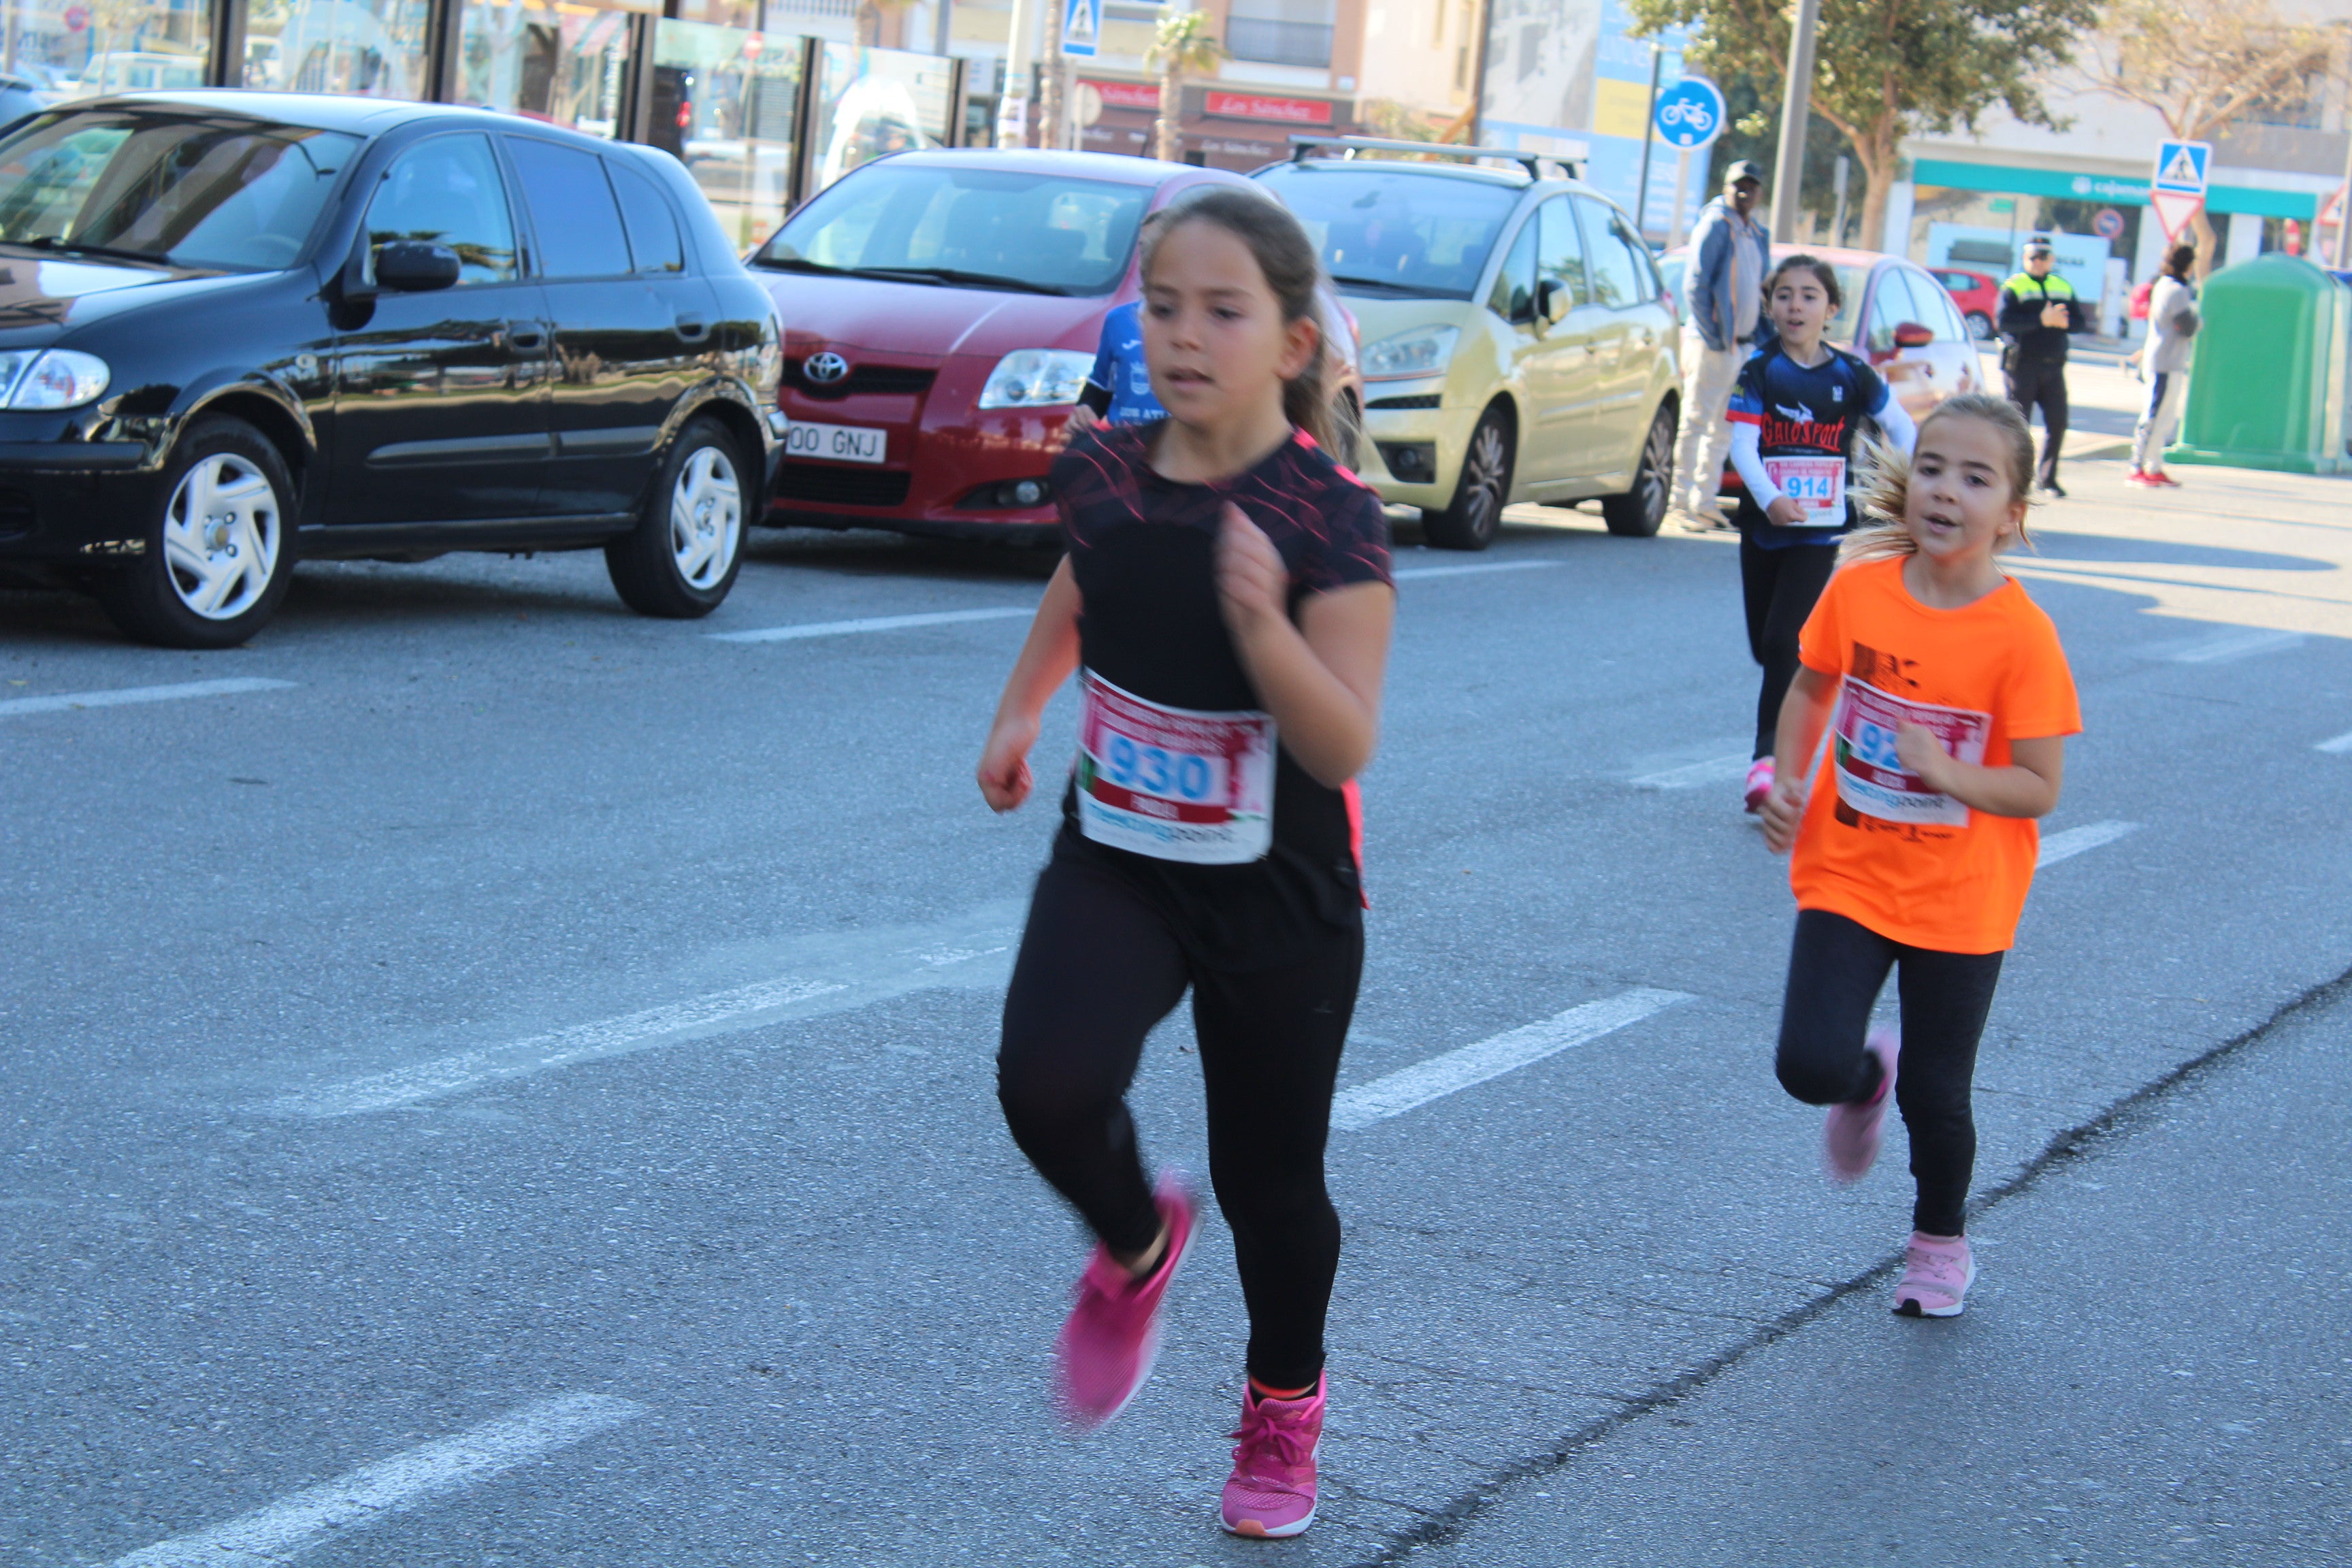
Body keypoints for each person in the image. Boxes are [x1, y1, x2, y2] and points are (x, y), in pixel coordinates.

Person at [977, 186, 1395, 1540]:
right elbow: (1087, 579)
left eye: (1223, 310)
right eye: (1162, 307)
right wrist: (1022, 706)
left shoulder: (1329, 516)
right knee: (1045, 1083)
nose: (1183, 335)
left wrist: (1264, 627)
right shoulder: (1100, 470)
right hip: (1122, 856)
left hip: (1282, 893)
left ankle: (1285, 1404)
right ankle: (1138, 1241)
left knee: (1274, 1186)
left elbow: (1340, 746)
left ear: (1289, 343)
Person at [1758, 393, 2081, 1319]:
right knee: (1807, 1065)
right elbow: (1812, 690)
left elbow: (2039, 786)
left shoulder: (2020, 636)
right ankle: (1864, 1076)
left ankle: (1939, 1238)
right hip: (1849, 870)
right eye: (1933, 467)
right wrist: (1788, 779)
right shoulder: (1860, 591)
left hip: (1963, 897)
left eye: (1976, 479)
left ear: (2010, 513)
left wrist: (1948, 770)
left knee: (1938, 1096)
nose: (1946, 490)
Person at [1726, 255, 1918, 813]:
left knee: (1789, 641)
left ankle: (1770, 766)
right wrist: (1773, 499)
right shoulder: (1760, 370)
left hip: (1825, 532)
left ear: (1830, 309)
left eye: (1809, 295)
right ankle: (1786, 735)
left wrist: (1895, 487)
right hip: (1767, 525)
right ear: (1770, 306)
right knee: (1766, 644)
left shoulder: (1851, 374)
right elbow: (1743, 445)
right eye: (1784, 295)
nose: (1795, 306)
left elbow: (1901, 428)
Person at [1667, 160, 1773, 532]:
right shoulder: (1715, 224)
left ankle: (1705, 502)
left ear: (1760, 192)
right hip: (1714, 346)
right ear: (1726, 188)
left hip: (1742, 348)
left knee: (1723, 429)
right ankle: (1680, 501)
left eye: (1751, 187)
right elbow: (1695, 284)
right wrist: (1715, 336)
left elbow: (1762, 290)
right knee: (1695, 422)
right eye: (1737, 186)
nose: (1745, 193)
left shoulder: (1756, 232)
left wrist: (1758, 342)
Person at [1995, 240, 2088, 497]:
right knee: (2017, 425)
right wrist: (2041, 320)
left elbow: (2080, 323)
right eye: (2033, 257)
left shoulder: (2062, 286)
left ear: (2051, 259)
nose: (2038, 261)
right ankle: (2013, 480)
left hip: (2053, 366)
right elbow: (2003, 322)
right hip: (2022, 365)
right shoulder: (2014, 286)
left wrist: (2064, 321)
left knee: (2058, 423)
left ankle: (2048, 479)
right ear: (2025, 259)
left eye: (2043, 256)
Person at [2129, 244, 2200, 489]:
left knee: (2164, 418)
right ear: (2188, 265)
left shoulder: (2162, 285)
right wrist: (2200, 319)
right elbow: (2187, 326)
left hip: (2166, 360)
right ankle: (2137, 466)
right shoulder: (2177, 290)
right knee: (2154, 415)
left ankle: (2154, 465)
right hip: (2165, 362)